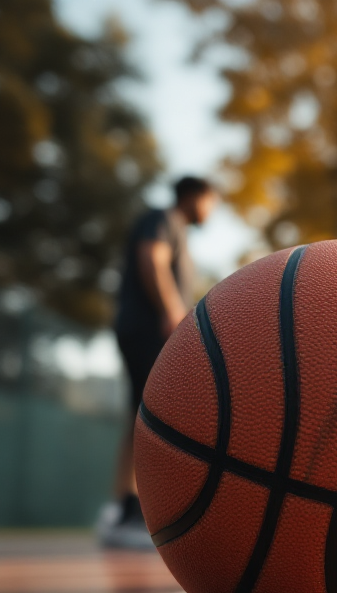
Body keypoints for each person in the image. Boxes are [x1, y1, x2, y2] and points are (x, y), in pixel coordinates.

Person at [99, 176, 218, 549]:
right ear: (195, 196)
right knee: (151, 420)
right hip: (149, 330)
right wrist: (171, 311)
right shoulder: (164, 218)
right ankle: (129, 513)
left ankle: (121, 508)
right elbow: (152, 257)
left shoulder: (173, 226)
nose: (211, 211)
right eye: (211, 202)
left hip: (144, 330)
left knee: (141, 415)